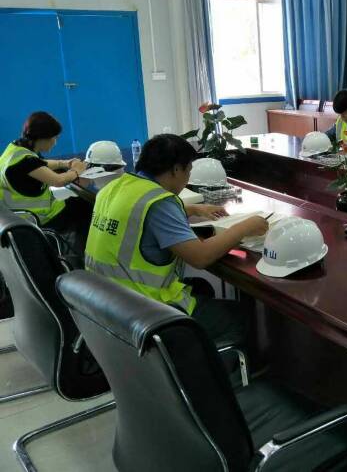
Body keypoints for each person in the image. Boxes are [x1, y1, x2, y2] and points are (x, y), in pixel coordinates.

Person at [84, 134, 268, 344]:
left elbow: (136, 215)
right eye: (188, 171)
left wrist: (192, 209)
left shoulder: (113, 187)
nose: (187, 179)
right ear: (176, 169)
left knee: (200, 289)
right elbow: (200, 257)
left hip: (105, 303)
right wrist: (243, 228)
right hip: (145, 311)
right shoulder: (159, 203)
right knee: (240, 316)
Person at [0, 111, 91, 240]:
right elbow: (58, 181)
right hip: (39, 219)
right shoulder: (26, 162)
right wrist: (76, 171)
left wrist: (65, 163)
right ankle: (81, 250)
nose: (55, 142)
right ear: (42, 138)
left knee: (78, 203)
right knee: (86, 207)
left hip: (16, 216)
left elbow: (40, 164)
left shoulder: (16, 149)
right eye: (55, 138)